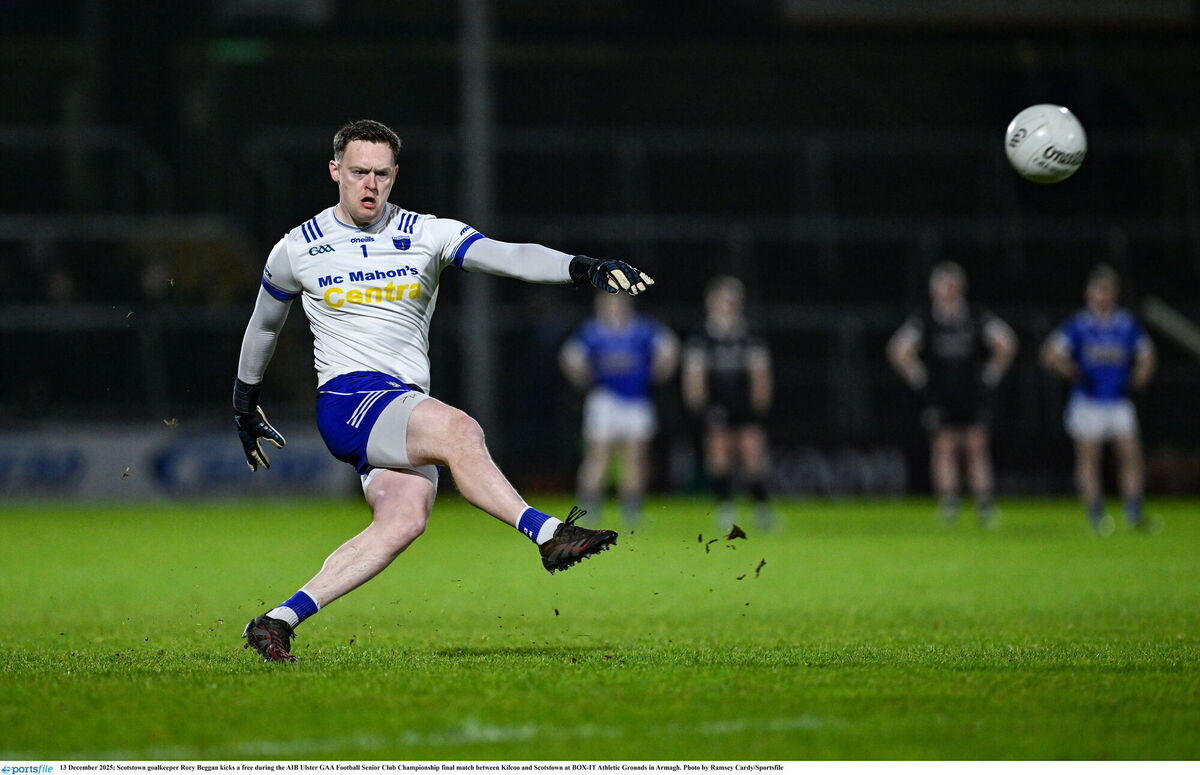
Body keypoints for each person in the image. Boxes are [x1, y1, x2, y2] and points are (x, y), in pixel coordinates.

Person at [233, 120, 655, 661]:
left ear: (395, 175)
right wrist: (244, 402)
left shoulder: (425, 232)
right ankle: (549, 534)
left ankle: (277, 620)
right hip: (348, 397)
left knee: (405, 519)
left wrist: (583, 268)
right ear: (335, 171)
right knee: (461, 430)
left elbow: (508, 255)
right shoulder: (298, 248)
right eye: (359, 172)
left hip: (400, 402)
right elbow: (265, 326)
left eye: (382, 174)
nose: (371, 185)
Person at [887, 262, 1017, 526]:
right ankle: (949, 504)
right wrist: (918, 377)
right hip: (941, 393)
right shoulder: (926, 319)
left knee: (976, 446)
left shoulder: (975, 315)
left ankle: (984, 505)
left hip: (972, 391)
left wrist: (991, 373)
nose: (946, 292)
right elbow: (898, 348)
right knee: (943, 447)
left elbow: (1006, 342)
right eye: (941, 286)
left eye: (950, 286)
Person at [1041, 264, 1157, 535]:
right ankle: (1095, 514)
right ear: (1088, 295)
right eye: (1097, 291)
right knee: (1089, 460)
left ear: (1114, 294)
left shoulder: (1125, 324)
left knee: (1130, 457)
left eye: (1106, 291)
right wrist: (1071, 370)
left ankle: (1133, 513)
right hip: (1088, 400)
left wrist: (1141, 374)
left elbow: (1147, 353)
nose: (1101, 297)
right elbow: (1050, 353)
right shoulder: (1080, 325)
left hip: (1117, 400)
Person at [559, 292, 679, 526]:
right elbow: (569, 356)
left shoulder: (642, 329)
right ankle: (588, 509)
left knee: (635, 457)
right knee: (598, 455)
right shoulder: (593, 332)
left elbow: (669, 345)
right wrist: (582, 377)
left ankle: (631, 510)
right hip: (605, 399)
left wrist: (662, 369)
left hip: (636, 400)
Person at [682, 276, 774, 529]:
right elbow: (694, 375)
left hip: (744, 403)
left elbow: (760, 373)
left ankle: (762, 508)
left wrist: (760, 405)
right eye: (723, 299)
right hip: (716, 403)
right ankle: (725, 507)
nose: (728, 304)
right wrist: (699, 406)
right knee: (719, 455)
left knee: (753, 453)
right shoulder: (702, 335)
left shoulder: (750, 333)